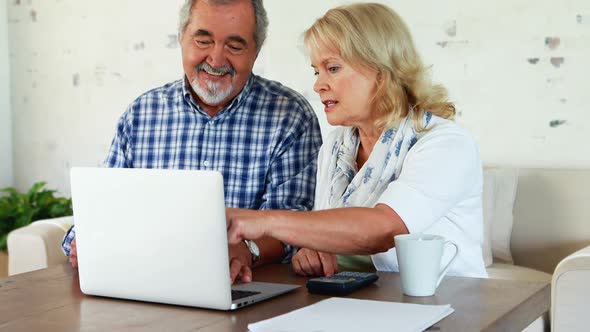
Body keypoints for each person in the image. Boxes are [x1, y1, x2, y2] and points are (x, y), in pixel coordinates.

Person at [61, 0, 322, 283]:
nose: (217, 59)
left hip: (247, 285)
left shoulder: (290, 116)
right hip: (145, 282)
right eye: (203, 41)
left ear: (255, 52)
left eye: (234, 46)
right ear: (182, 38)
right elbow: (103, 207)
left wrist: (248, 249)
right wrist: (86, 241)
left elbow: (295, 224)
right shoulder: (142, 113)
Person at [226, 2, 487, 278]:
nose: (318, 85)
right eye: (317, 71)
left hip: (449, 307)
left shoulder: (445, 144)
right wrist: (315, 250)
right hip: (369, 303)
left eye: (333, 68)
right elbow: (332, 234)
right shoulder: (336, 146)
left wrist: (265, 221)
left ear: (381, 70)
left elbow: (384, 229)